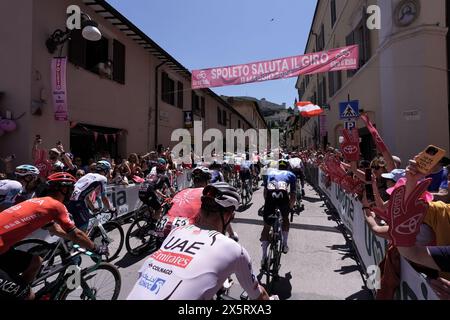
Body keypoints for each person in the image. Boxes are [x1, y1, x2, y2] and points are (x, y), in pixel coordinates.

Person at [127, 182, 270, 300]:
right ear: (228, 216)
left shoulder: (177, 231)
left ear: (201, 209)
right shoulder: (234, 250)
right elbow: (258, 295)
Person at [0, 172, 108, 300]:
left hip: (3, 250)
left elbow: (54, 229)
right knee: (28, 296)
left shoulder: (37, 201)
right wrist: (95, 248)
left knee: (36, 262)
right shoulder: (56, 206)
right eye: (71, 189)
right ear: (63, 189)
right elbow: (77, 234)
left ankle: (17, 290)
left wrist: (73, 238)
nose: (73, 192)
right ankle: (20, 293)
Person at [260, 159, 296, 266]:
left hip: (270, 197)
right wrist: (290, 208)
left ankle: (264, 257)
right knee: (285, 219)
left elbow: (265, 193)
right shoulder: (291, 174)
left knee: (266, 227)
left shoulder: (269, 172)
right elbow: (293, 195)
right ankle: (284, 244)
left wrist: (268, 206)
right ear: (287, 167)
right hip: (283, 196)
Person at [67, 160, 116, 231]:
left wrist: (93, 208)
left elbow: (86, 196)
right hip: (79, 204)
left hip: (71, 202)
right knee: (83, 231)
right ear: (106, 170)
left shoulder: (88, 175)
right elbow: (104, 198)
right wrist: (111, 208)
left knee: (75, 228)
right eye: (108, 171)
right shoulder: (103, 179)